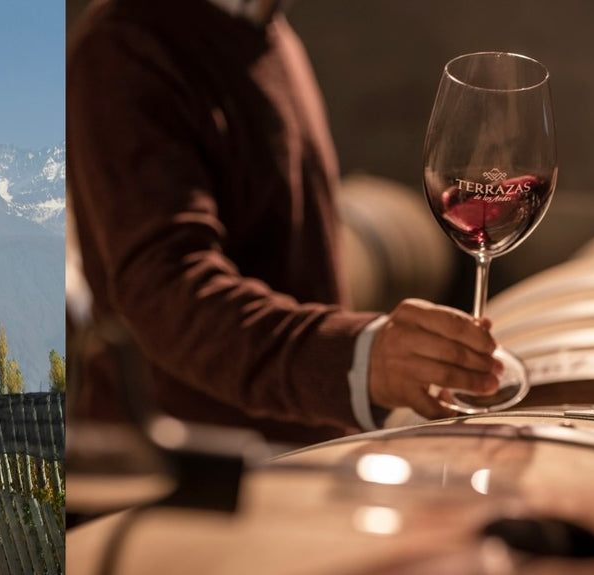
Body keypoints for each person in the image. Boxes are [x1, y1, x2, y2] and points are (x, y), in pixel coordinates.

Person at [66, 0, 502, 444]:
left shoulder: (266, 27)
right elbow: (166, 293)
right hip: (191, 477)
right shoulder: (125, 47)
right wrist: (357, 359)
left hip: (301, 449)